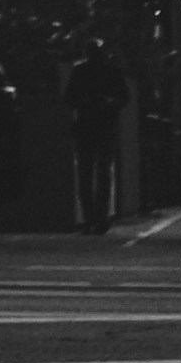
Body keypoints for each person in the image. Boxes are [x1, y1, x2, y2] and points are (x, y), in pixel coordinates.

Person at [64, 23, 131, 233]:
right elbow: (70, 97)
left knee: (93, 174)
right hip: (98, 126)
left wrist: (104, 103)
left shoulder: (85, 71)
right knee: (97, 174)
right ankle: (96, 218)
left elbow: (123, 98)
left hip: (94, 126)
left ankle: (94, 218)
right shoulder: (104, 71)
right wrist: (103, 103)